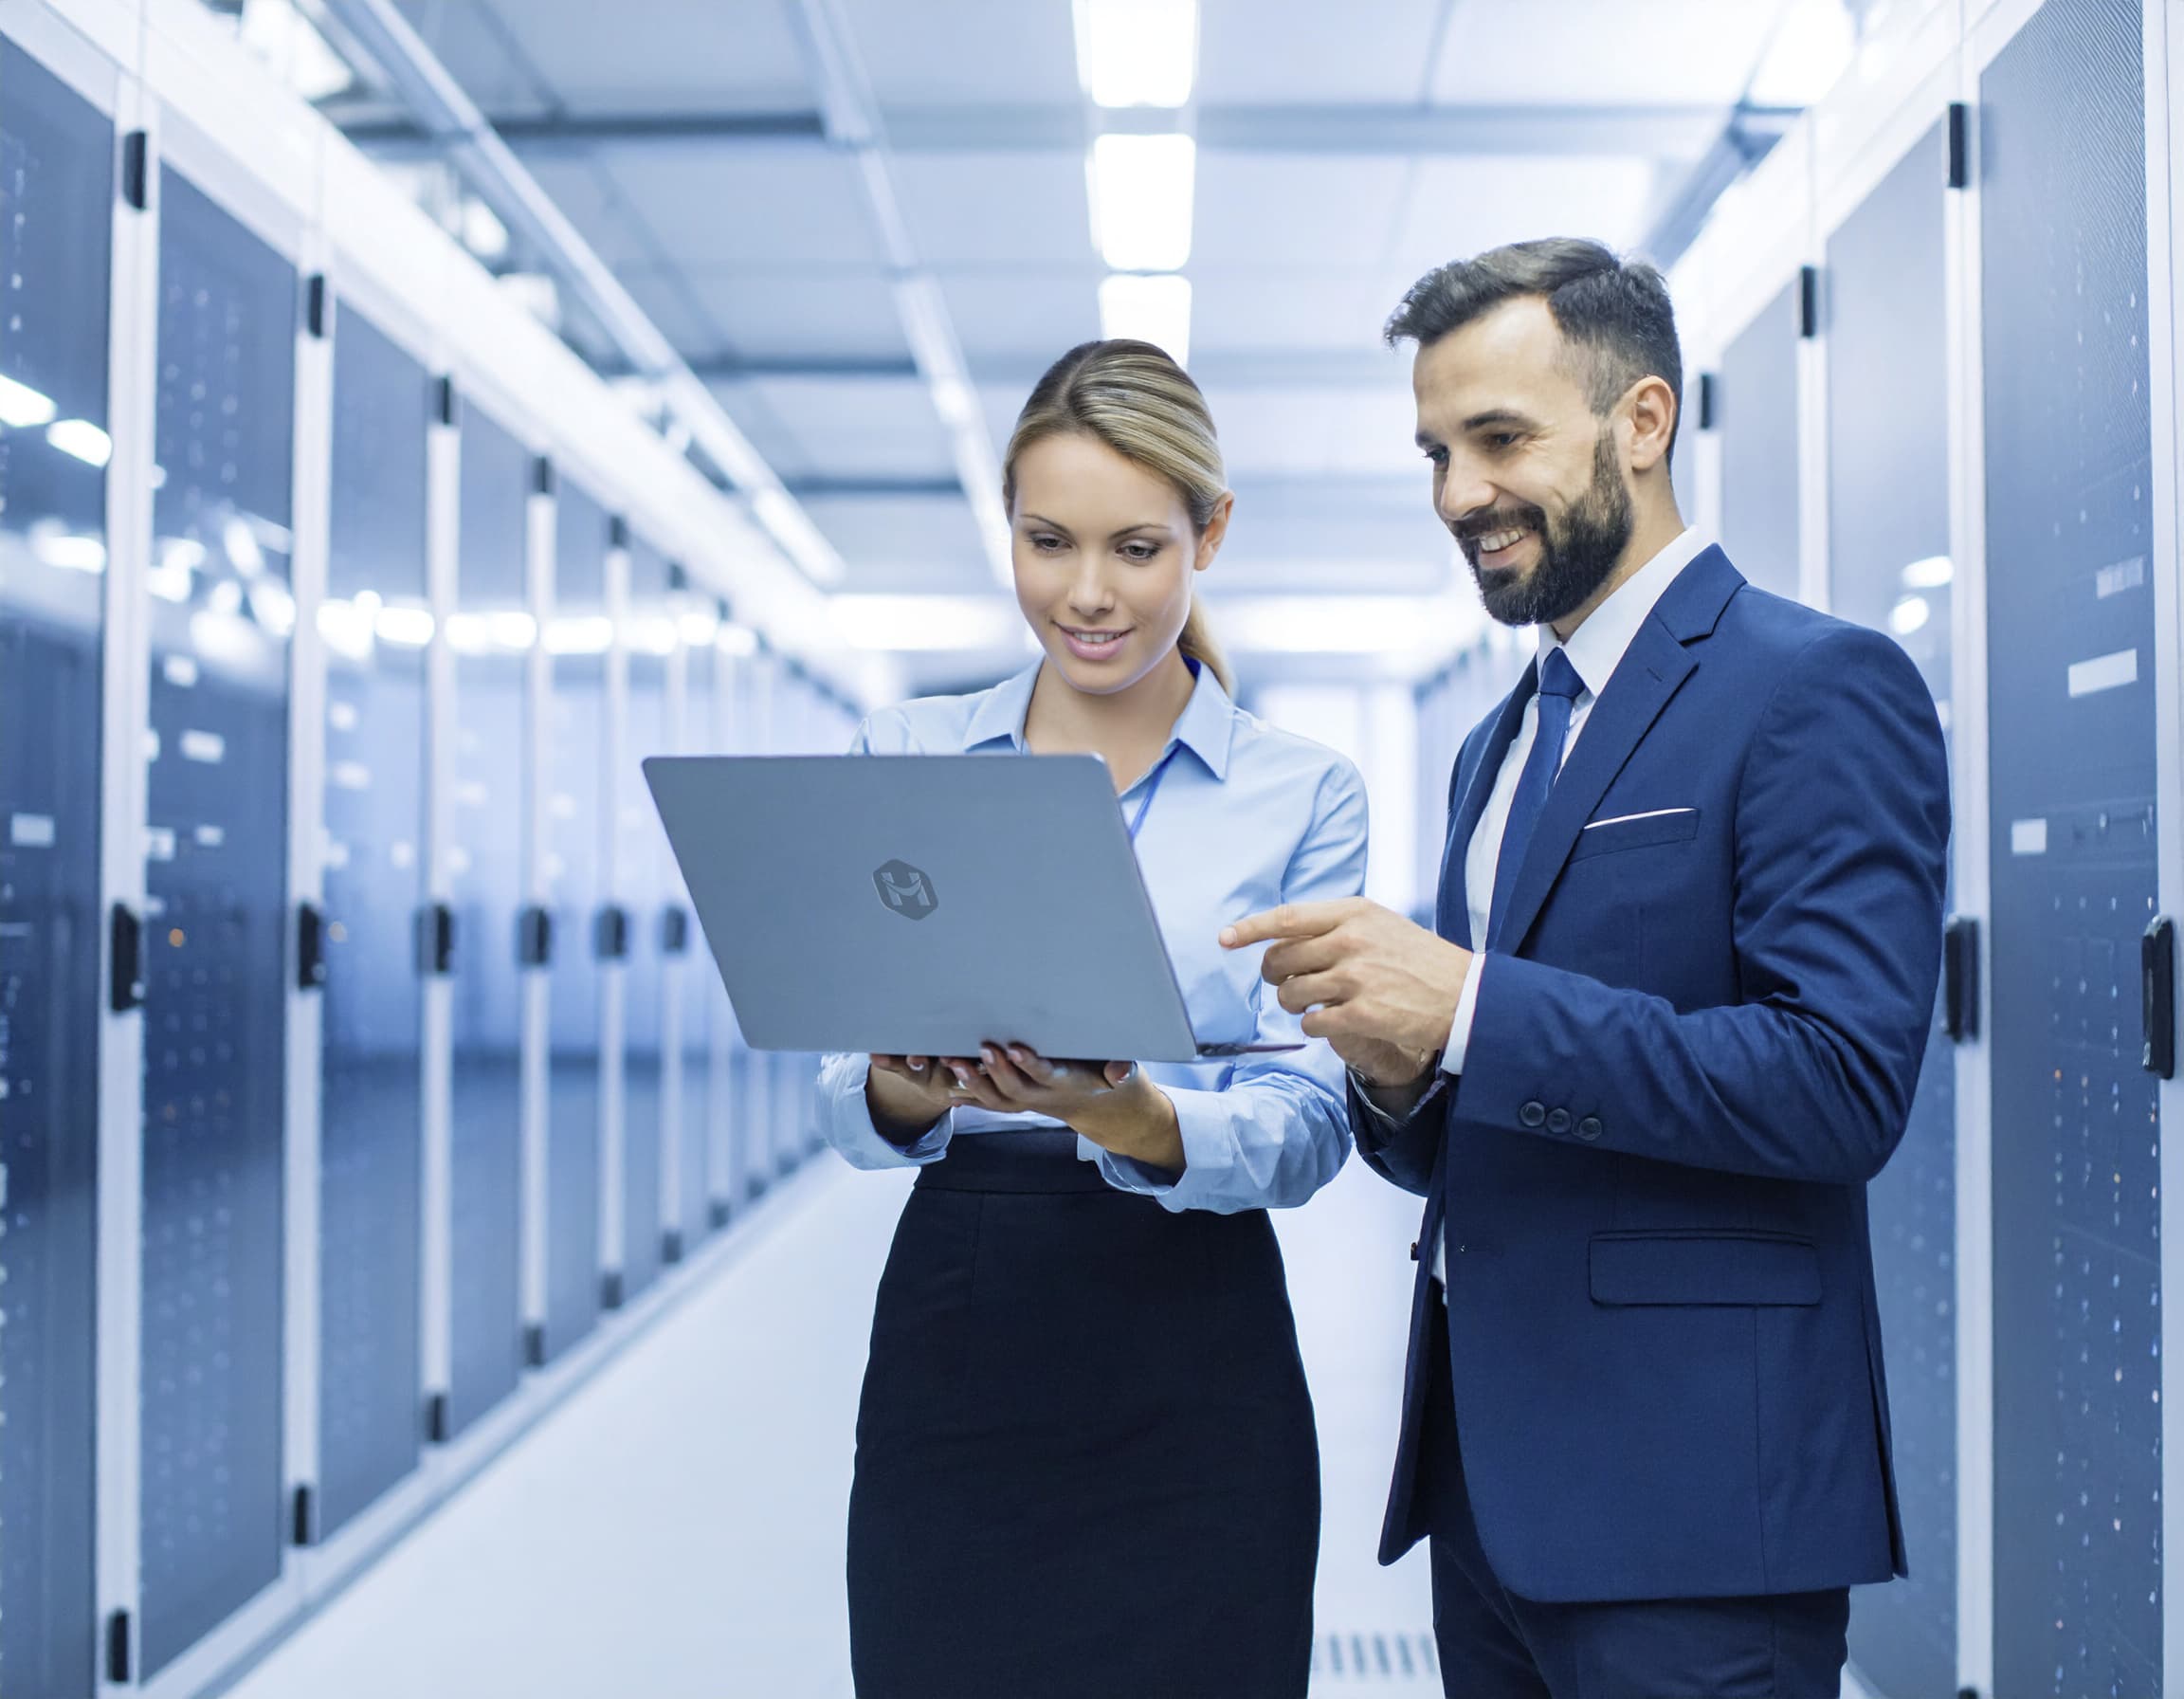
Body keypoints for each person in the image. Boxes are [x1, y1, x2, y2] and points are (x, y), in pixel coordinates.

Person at [1222, 240, 1951, 1698]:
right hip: (1490, 1501)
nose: (1457, 495)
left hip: (1695, 1516)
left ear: (1642, 421)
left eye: (1501, 440)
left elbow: (1840, 1088)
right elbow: (1482, 1126)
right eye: (1436, 450)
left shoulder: (1814, 686)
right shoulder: (1504, 744)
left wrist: (1473, 1007)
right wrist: (1397, 1071)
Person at [813, 338, 1367, 1699]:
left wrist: (1128, 1113)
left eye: (1134, 547)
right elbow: (845, 1100)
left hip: (1195, 1333)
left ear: (1209, 534)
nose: (1086, 594)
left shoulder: (1301, 793)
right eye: (1047, 541)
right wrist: (913, 1084)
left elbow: (1310, 1124)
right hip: (965, 1315)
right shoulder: (912, 756)